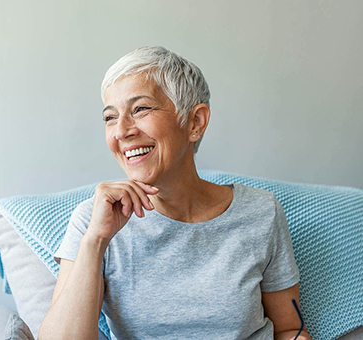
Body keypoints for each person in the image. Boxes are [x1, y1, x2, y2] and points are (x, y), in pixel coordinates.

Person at [38, 46, 312, 340]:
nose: (121, 131)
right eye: (110, 117)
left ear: (195, 122)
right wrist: (96, 241)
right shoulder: (92, 221)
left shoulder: (261, 212)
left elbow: (290, 329)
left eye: (140, 109)